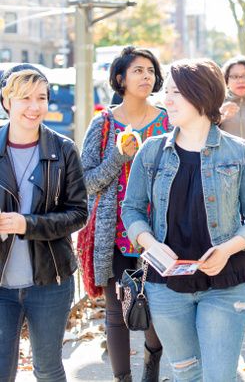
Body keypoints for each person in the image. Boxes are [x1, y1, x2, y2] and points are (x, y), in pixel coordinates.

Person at [121, 59, 245, 381]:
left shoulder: (238, 152)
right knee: (185, 375)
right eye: (167, 92)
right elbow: (131, 209)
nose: (166, 100)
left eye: (175, 92)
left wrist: (228, 249)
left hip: (226, 285)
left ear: (201, 95)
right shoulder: (152, 151)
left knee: (219, 376)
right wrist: (151, 244)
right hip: (166, 287)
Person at [81, 46, 168, 381]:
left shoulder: (168, 121)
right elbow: (88, 182)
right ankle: (122, 377)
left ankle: (151, 366)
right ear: (120, 78)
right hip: (113, 234)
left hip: (158, 234)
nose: (146, 76)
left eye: (150, 70)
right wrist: (118, 156)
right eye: (138, 71)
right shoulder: (103, 124)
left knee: (155, 308)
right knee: (116, 311)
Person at [0, 66, 88, 381]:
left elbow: (79, 212)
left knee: (49, 369)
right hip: (1, 284)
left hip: (50, 280)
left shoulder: (63, 150)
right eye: (24, 97)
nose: (34, 106)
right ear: (6, 100)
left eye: (41, 97)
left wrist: (27, 224)